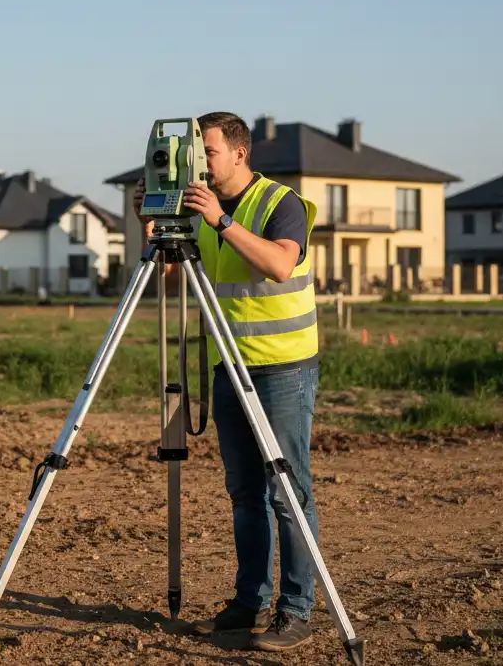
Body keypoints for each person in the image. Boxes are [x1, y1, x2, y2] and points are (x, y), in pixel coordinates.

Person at [132, 112, 320, 653]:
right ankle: (248, 604)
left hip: (282, 368)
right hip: (228, 367)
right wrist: (153, 224)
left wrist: (220, 222)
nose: (198, 164)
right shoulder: (203, 211)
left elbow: (279, 266)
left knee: (288, 493)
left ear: (239, 153)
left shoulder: (280, 203)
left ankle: (296, 610)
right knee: (244, 494)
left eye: (207, 153)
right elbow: (171, 282)